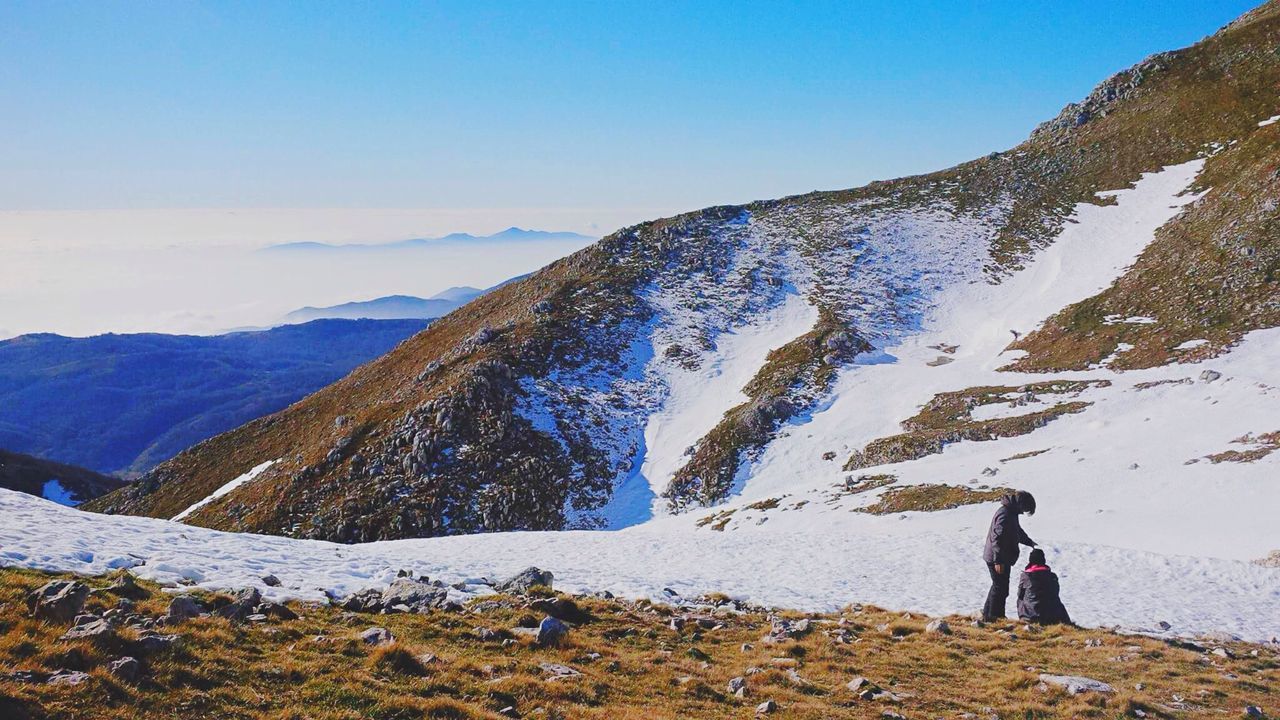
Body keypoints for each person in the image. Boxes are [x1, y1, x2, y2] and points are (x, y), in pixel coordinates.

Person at [981, 490, 1037, 622]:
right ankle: (994, 617)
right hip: (997, 558)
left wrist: (1028, 541)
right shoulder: (1005, 514)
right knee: (1000, 587)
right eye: (1025, 510)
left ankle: (989, 615)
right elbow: (997, 538)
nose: (1023, 512)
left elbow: (1016, 530)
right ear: (1021, 505)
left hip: (1001, 557)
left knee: (999, 586)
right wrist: (998, 560)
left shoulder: (1010, 512)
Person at [1017, 548, 1072, 625]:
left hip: (1031, 616)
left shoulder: (1025, 576)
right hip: (1053, 615)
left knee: (1021, 599)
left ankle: (1025, 618)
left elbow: (1020, 594)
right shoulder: (1052, 576)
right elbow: (1056, 592)